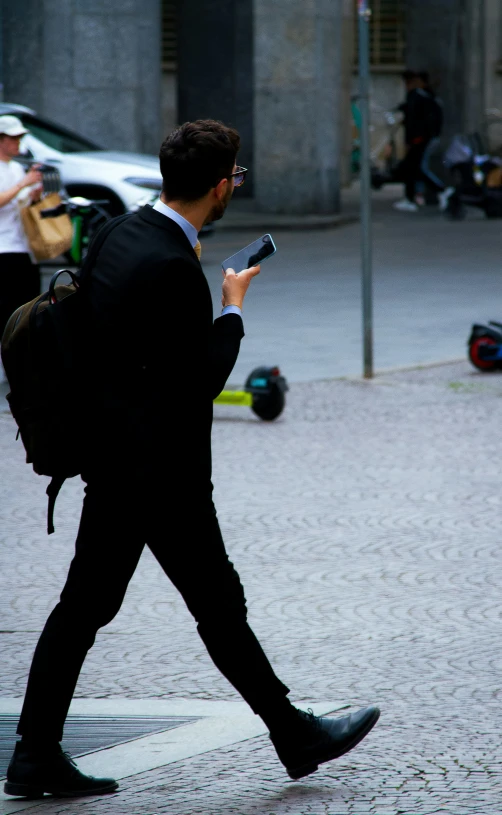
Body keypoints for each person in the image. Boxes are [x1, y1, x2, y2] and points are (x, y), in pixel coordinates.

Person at [4, 120, 379, 799]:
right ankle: (293, 732)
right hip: (163, 474)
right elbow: (197, 378)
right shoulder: (175, 268)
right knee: (214, 606)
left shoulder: (120, 231)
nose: (234, 186)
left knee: (88, 608)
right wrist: (231, 309)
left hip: (113, 462)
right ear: (215, 186)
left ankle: (34, 753)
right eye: (233, 177)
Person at [0, 115, 42, 382]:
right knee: (4, 308)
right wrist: (23, 185)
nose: (18, 143)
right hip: (2, 249)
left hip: (21, 247)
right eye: (13, 138)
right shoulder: (14, 174)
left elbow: (20, 205)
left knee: (26, 306)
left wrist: (33, 194)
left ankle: (19, 361)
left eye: (19, 138)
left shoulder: (16, 168)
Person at [392, 70, 451, 212]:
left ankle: (441, 190)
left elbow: (416, 121)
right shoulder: (422, 97)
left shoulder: (419, 97)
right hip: (422, 138)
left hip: (420, 139)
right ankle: (412, 197)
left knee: (416, 168)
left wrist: (412, 140)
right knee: (413, 168)